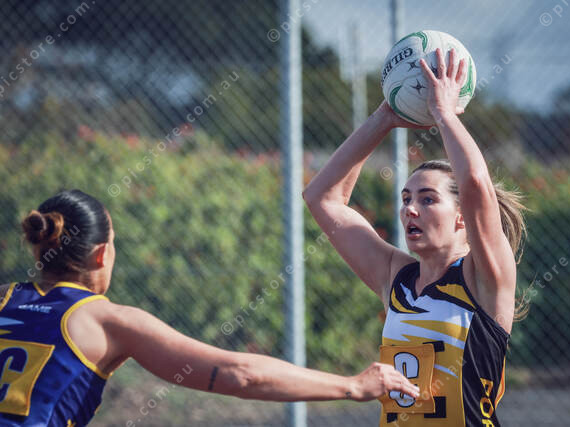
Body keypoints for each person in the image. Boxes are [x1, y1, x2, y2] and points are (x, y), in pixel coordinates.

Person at [0, 189, 419, 426]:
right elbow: (241, 374)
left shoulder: (4, 296)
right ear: (100, 255)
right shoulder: (107, 320)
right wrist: (352, 386)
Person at [303, 48, 526, 426]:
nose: (410, 209)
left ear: (462, 215)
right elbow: (322, 198)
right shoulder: (397, 278)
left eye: (427, 199)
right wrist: (385, 116)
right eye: (406, 198)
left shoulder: (484, 278)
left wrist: (444, 113)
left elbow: (475, 183)